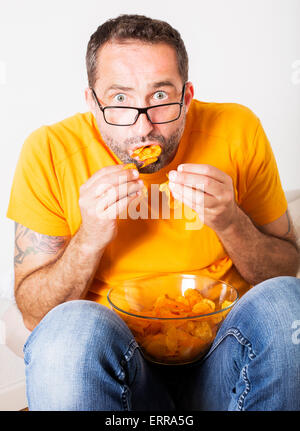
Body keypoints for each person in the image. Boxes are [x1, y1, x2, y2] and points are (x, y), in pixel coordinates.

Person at [7, 14, 300, 411]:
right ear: (92, 101)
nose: (142, 127)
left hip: (224, 356)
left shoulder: (236, 129)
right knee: (67, 332)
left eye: (160, 96)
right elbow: (33, 312)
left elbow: (285, 270)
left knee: (287, 301)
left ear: (187, 95)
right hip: (116, 363)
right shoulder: (49, 151)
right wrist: (89, 238)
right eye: (121, 99)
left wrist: (231, 222)